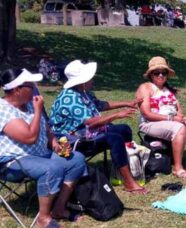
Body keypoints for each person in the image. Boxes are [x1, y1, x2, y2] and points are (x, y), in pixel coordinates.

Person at [0, 68, 87, 228]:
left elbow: (45, 127)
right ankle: (43, 218)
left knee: (76, 159)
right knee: (51, 168)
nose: (34, 87)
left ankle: (59, 208)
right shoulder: (2, 109)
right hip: (13, 163)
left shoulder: (29, 104)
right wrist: (38, 110)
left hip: (40, 155)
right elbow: (29, 137)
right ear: (17, 89)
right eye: (30, 85)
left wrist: (55, 143)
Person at [49, 60, 148, 194]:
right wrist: (116, 115)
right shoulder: (70, 98)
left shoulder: (83, 91)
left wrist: (127, 103)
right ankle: (129, 182)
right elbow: (92, 122)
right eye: (90, 78)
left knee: (124, 129)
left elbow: (100, 105)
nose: (93, 80)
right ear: (82, 81)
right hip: (71, 140)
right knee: (114, 138)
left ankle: (120, 170)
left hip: (87, 132)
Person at [135, 56, 186, 179]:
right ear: (151, 74)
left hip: (170, 120)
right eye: (157, 73)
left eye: (164, 72)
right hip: (150, 122)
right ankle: (178, 168)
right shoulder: (145, 88)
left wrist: (180, 117)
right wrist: (172, 119)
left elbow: (178, 109)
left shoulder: (169, 89)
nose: (161, 75)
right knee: (179, 128)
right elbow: (146, 113)